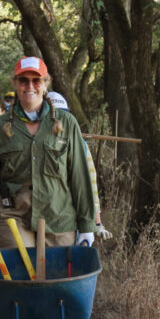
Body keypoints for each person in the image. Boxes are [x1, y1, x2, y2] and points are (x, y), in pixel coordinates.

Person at [0, 57, 96, 249]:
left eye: (36, 80)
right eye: (23, 80)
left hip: (59, 217)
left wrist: (87, 226)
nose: (30, 86)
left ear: (45, 84)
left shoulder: (67, 123)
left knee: (57, 276)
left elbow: (79, 175)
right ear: (15, 84)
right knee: (19, 273)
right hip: (13, 217)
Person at [45, 91, 109, 239]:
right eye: (53, 115)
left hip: (68, 218)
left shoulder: (79, 144)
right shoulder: (32, 143)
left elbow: (89, 184)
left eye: (62, 115)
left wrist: (97, 223)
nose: (57, 121)